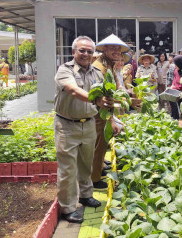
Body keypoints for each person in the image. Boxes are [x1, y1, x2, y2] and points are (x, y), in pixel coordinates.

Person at [54, 35, 119, 223]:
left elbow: (106, 99)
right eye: (82, 50)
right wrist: (95, 99)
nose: (86, 54)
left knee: (87, 163)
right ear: (73, 52)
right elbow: (73, 90)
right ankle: (67, 208)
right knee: (67, 169)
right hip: (67, 125)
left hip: (89, 124)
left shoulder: (97, 73)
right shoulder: (64, 70)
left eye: (90, 51)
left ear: (93, 55)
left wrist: (111, 112)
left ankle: (85, 195)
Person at [92, 34, 131, 189]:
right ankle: (94, 179)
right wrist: (112, 120)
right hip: (99, 112)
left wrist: (128, 94)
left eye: (118, 48)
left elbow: (117, 86)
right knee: (99, 144)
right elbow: (103, 98)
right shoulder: (100, 67)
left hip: (103, 111)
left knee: (102, 143)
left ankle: (98, 168)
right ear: (105, 49)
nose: (116, 51)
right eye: (112, 48)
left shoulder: (108, 64)